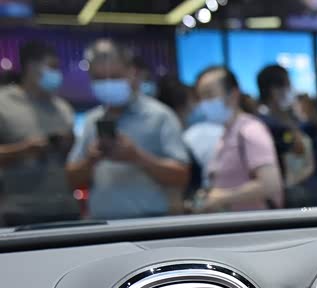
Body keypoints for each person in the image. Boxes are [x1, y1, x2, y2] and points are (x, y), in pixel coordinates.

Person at [66, 39, 190, 220]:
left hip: (151, 222)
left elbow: (181, 176)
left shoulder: (160, 116)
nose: (107, 83)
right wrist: (91, 160)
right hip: (102, 224)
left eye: (114, 76)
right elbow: (72, 179)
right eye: (99, 78)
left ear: (132, 73)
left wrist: (137, 157)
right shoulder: (92, 120)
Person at [0, 41, 78, 226]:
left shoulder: (63, 108)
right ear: (30, 66)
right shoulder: (4, 103)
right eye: (52, 67)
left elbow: (74, 161)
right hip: (18, 211)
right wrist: (23, 150)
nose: (57, 74)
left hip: (64, 209)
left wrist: (69, 144)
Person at [195, 66, 284, 212]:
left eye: (209, 95)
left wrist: (222, 198)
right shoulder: (228, 132)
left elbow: (271, 184)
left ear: (233, 94)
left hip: (255, 222)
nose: (204, 104)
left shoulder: (250, 131)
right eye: (201, 97)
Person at [257, 64, 317, 208]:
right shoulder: (268, 125)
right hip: (290, 199)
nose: (292, 91)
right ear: (274, 90)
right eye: (288, 85)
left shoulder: (284, 120)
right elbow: (298, 149)